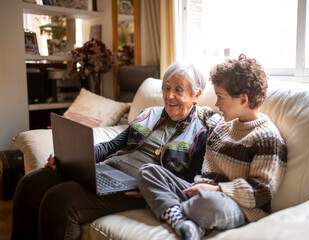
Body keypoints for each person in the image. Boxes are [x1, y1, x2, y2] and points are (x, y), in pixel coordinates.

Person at [11, 62, 209, 240]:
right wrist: (72, 158)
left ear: (196, 96)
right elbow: (111, 146)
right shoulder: (149, 114)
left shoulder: (199, 134)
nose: (169, 95)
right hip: (107, 171)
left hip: (135, 190)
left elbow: (189, 186)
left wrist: (148, 189)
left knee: (60, 200)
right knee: (31, 183)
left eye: (178, 90)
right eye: (166, 88)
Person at [137, 54, 288, 240]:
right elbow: (196, 111)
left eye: (220, 97)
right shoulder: (221, 124)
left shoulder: (267, 138)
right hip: (200, 191)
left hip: (237, 206)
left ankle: (174, 211)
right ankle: (183, 222)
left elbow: (262, 191)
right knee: (148, 172)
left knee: (207, 202)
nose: (216, 103)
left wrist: (217, 190)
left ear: (243, 99)